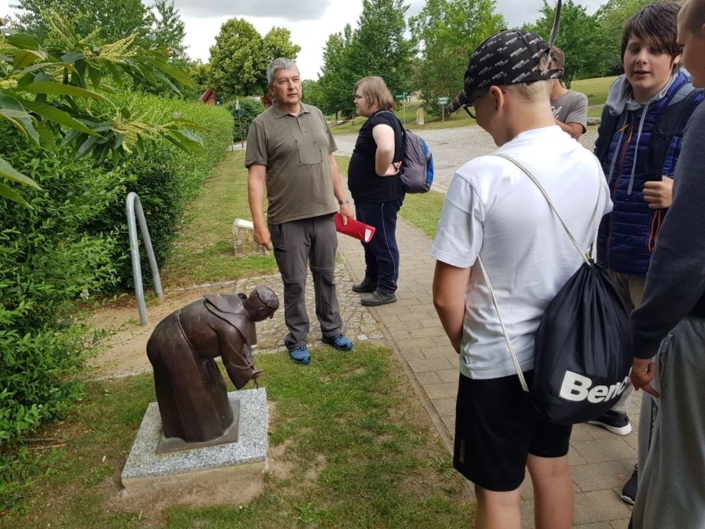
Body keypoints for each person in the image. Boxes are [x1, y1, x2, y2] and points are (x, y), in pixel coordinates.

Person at [434, 30, 611, 529]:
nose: (482, 124)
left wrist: (468, 352)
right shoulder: (590, 164)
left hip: (498, 360)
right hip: (564, 354)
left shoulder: (480, 177)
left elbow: (448, 299)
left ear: (496, 97)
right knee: (553, 469)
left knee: (498, 495)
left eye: (476, 110)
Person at [589, 1, 703, 504]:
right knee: (626, 357)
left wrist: (679, 193)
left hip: (657, 267)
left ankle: (650, 466)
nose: (642, 59)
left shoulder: (690, 109)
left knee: (657, 371)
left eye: (657, 50)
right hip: (614, 251)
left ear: (676, 57)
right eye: (634, 48)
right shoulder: (616, 108)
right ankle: (608, 407)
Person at [628, 2, 705, 526]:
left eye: (679, 43)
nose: (682, 55)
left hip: (695, 324)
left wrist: (645, 339)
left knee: (680, 484)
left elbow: (688, 248)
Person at [245, 58, 354, 366]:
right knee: (294, 283)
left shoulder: (317, 115)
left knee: (327, 277)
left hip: (323, 215)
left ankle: (332, 331)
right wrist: (258, 224)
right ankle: (297, 339)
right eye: (283, 81)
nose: (291, 86)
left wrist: (342, 200)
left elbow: (330, 162)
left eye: (295, 79)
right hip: (286, 220)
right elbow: (255, 178)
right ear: (272, 88)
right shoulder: (261, 125)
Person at [146, 287, 278, 443]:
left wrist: (247, 358)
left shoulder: (236, 302)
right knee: (196, 396)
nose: (270, 317)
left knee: (213, 384)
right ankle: (199, 434)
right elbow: (233, 362)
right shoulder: (231, 328)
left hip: (178, 335)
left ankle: (218, 420)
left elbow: (242, 344)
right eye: (270, 314)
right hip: (170, 343)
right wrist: (249, 373)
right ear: (261, 311)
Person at [347, 76, 405, 306]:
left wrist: (382, 171)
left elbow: (386, 147)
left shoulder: (381, 119)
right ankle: (373, 278)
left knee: (381, 241)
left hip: (379, 197)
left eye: (359, 96)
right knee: (368, 238)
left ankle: (387, 288)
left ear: (373, 97)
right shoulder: (377, 119)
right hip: (368, 196)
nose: (355, 101)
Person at [549, 47, 589, 140]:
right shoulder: (529, 100)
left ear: (560, 72)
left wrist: (541, 115)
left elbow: (573, 135)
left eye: (549, 71)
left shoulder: (577, 99)